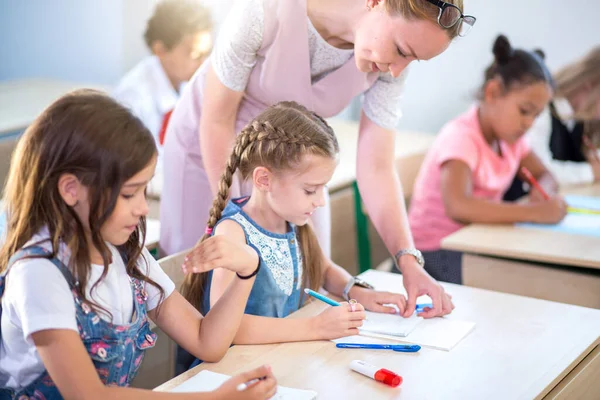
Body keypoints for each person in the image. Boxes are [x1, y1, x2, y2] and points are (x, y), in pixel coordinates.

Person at [161, 0, 476, 316]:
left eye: (413, 60)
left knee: (304, 278)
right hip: (211, 150)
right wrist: (242, 220)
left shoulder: (389, 67)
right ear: (376, 2)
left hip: (293, 165)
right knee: (201, 294)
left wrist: (409, 262)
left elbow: (377, 166)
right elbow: (216, 121)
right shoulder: (261, 13)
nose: (398, 70)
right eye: (402, 50)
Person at [0, 90, 276, 400]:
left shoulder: (126, 254)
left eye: (145, 191)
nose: (144, 208)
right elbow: (87, 395)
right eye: (130, 194)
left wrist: (247, 269)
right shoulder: (39, 273)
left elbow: (205, 341)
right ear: (70, 189)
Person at [179, 101, 421, 369]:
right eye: (310, 190)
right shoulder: (232, 233)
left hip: (281, 361)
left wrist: (355, 290)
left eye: (322, 189)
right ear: (264, 180)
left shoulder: (294, 220)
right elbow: (226, 328)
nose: (320, 201)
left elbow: (323, 267)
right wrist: (315, 327)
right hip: (233, 371)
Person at [408, 35, 566, 284]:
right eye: (524, 111)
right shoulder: (461, 137)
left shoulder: (511, 140)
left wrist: (542, 193)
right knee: (521, 281)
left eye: (536, 116)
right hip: (433, 254)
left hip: (477, 241)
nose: (529, 123)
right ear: (492, 92)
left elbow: (546, 175)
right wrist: (532, 212)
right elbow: (459, 207)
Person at [113, 0, 213, 194]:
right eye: (194, 54)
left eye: (206, 53)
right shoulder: (133, 99)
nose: (203, 63)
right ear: (160, 50)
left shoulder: (186, 81)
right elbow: (136, 171)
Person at [504, 46, 600, 200]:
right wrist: (589, 172)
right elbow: (541, 169)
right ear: (590, 85)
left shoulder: (582, 119)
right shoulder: (541, 110)